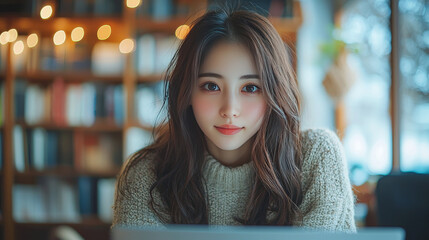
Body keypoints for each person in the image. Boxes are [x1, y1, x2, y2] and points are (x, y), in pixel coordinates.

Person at [112, 6, 356, 232]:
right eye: (211, 86)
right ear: (186, 93)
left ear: (275, 94)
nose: (230, 109)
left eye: (250, 88)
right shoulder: (146, 174)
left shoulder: (317, 157)